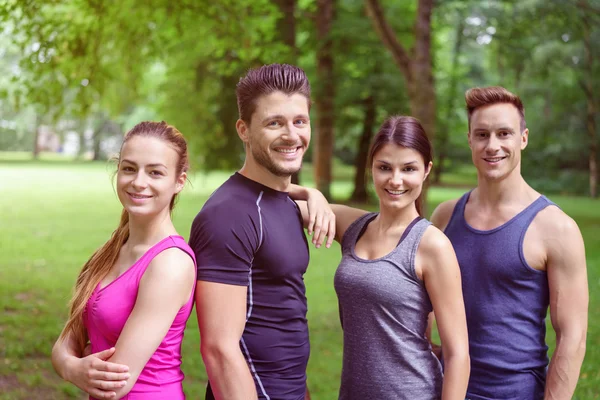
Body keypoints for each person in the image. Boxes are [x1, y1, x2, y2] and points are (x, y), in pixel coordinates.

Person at [294, 116, 470, 399]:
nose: (395, 180)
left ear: (427, 171)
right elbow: (277, 199)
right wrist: (310, 192)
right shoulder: (353, 226)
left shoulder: (432, 245)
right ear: (371, 168)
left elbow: (458, 353)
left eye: (409, 168)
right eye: (384, 167)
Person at [429, 86, 588, 399]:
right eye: (482, 135)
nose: (493, 146)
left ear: (523, 138)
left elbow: (573, 337)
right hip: (447, 390)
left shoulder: (557, 229)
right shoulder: (445, 216)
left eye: (504, 133)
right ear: (470, 140)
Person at [189, 63, 334, 400]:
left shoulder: (282, 201)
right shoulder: (228, 215)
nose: (292, 135)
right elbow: (219, 350)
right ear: (244, 129)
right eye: (274, 123)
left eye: (300, 121)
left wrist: (312, 192)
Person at [51, 121, 197, 399]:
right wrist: (71, 366)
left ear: (179, 181)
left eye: (155, 172)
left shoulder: (170, 264)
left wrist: (71, 364)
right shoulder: (111, 250)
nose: (138, 182)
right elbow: (64, 345)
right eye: (129, 168)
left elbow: (114, 385)